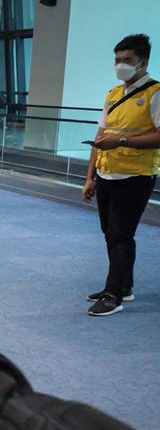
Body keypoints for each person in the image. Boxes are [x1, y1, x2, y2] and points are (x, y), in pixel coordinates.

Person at [82, 33, 159, 317]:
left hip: (136, 175)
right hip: (107, 173)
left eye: (127, 60)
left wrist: (122, 142)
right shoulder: (114, 94)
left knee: (120, 234)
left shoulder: (155, 93)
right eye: (117, 60)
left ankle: (114, 295)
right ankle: (123, 286)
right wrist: (90, 176)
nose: (120, 65)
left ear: (143, 61)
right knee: (110, 233)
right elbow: (100, 135)